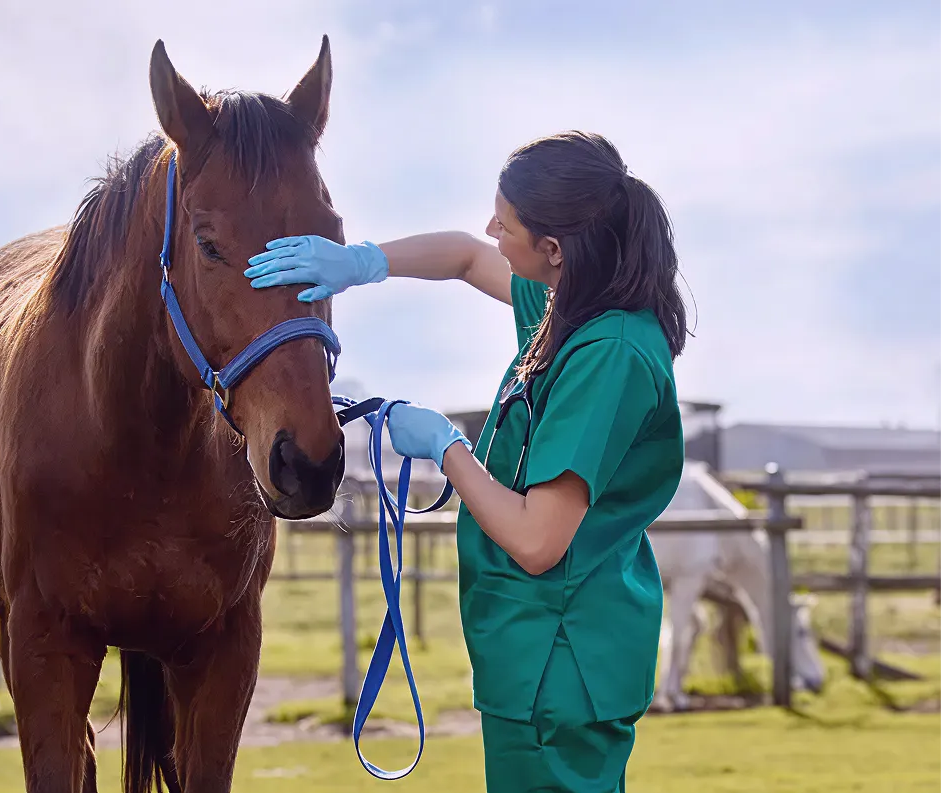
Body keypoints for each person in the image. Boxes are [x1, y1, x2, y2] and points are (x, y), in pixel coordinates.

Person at [244, 130, 688, 793]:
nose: (492, 229)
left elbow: (539, 539)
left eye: (506, 223)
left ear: (555, 249)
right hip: (538, 654)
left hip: (558, 661)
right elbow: (460, 255)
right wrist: (358, 262)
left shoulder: (608, 353)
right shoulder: (576, 305)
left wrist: (449, 450)